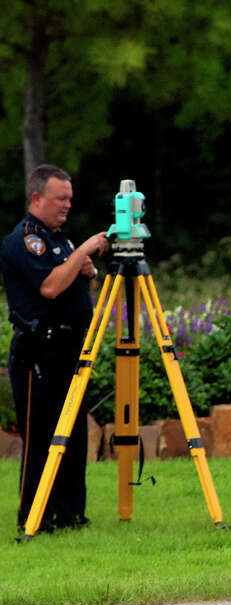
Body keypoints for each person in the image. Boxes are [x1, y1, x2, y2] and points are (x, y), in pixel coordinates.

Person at [0, 164, 109, 534]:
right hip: (38, 352)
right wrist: (84, 252)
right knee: (42, 435)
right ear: (37, 197)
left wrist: (87, 273)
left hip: (68, 346)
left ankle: (71, 513)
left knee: (73, 434)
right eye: (60, 199)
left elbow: (75, 291)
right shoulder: (26, 240)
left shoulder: (59, 240)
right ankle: (35, 517)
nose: (67, 206)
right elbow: (49, 287)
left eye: (70, 199)